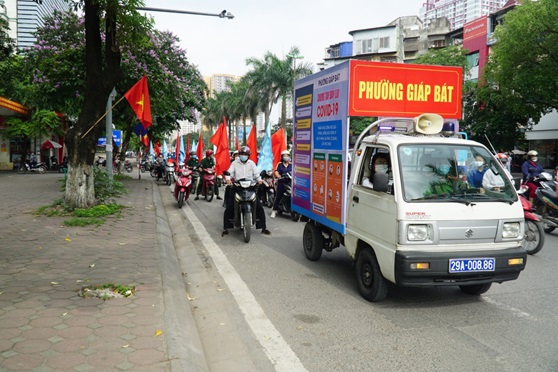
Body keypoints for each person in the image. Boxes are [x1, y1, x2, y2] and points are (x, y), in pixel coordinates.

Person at [222, 146, 271, 236]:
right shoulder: (234, 163)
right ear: (239, 155)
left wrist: (260, 180)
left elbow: (256, 174)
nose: (243, 156)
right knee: (229, 206)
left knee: (259, 206)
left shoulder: (251, 163)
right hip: (237, 186)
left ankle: (263, 228)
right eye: (242, 154)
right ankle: (226, 228)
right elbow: (229, 173)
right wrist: (228, 179)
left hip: (250, 187)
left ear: (248, 155)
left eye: (245, 154)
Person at [271, 150, 293, 218]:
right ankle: (274, 211)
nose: (286, 157)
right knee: (278, 196)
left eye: (287, 155)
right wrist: (279, 176)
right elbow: (276, 172)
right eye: (284, 155)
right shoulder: (280, 164)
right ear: (282, 157)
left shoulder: (292, 165)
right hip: (281, 183)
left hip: (290, 183)